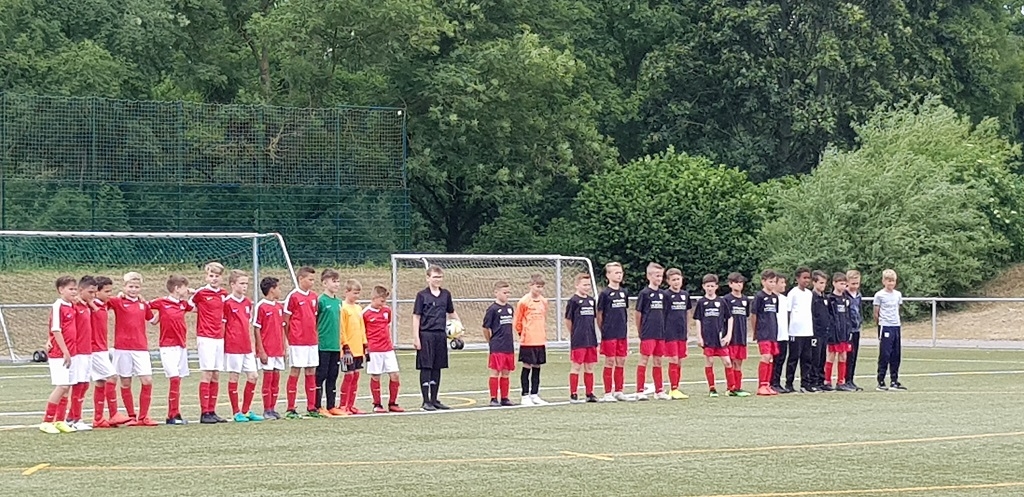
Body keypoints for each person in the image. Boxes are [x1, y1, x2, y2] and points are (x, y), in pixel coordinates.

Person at [109, 272, 157, 426]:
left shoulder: (143, 304)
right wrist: (118, 295)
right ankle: (131, 416)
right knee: (125, 382)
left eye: (136, 287)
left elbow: (152, 320)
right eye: (130, 286)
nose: (133, 290)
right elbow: (103, 302)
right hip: (122, 348)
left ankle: (143, 417)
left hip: (140, 348)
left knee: (147, 380)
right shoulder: (118, 301)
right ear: (124, 287)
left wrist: (163, 311)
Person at [413, 265, 460, 411]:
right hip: (426, 334)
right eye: (435, 277)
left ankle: (434, 399)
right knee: (426, 366)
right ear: (428, 278)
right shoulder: (422, 295)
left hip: (440, 335)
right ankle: (425, 401)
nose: (437, 280)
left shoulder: (446, 294)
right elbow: (416, 316)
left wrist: (459, 328)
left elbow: (451, 312)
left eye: (440, 277)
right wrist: (416, 337)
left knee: (437, 366)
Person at [149, 275, 193, 424]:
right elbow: (145, 306)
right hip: (167, 346)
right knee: (174, 378)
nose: (187, 290)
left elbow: (196, 307)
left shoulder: (183, 304)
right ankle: (171, 415)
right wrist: (156, 317)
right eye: (185, 287)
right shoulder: (162, 302)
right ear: (177, 288)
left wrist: (193, 293)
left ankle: (176, 413)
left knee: (178, 379)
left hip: (181, 346)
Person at [223, 270, 263, 423]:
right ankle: (236, 412)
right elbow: (223, 325)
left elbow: (248, 325)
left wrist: (252, 345)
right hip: (233, 346)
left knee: (253, 376)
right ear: (233, 284)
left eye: (246, 283)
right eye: (241, 283)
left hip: (246, 347)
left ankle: (246, 410)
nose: (245, 286)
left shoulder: (248, 303)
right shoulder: (227, 302)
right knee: (234, 376)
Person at [40, 276, 79, 434]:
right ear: (61, 290)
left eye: (75, 289)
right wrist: (65, 351)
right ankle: (46, 421)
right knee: (61, 386)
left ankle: (59, 420)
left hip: (72, 351)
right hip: (59, 353)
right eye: (70, 289)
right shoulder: (58, 306)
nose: (74, 292)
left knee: (67, 387)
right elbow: (55, 329)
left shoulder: (71, 305)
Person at [89, 276, 129, 428]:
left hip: (102, 348)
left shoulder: (104, 305)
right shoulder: (90, 306)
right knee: (112, 376)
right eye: (107, 291)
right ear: (96, 292)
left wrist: (120, 295)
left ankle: (98, 418)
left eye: (111, 291)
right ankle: (113, 414)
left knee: (100, 381)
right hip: (94, 349)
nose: (109, 295)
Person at [191, 262, 228, 423]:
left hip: (219, 337)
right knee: (207, 372)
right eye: (211, 276)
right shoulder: (201, 293)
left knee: (216, 373)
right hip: (205, 337)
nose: (214, 279)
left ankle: (212, 410)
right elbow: (189, 306)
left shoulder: (224, 294)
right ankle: (204, 412)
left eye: (217, 276)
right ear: (206, 277)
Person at [283, 266, 321, 419]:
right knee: (295, 371)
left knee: (311, 371)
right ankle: (291, 408)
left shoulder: (314, 297)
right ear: (301, 279)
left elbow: (315, 318)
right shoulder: (293, 296)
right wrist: (290, 338)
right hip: (297, 341)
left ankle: (311, 407)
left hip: (311, 340)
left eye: (313, 280)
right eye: (310, 279)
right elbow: (286, 321)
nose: (312, 282)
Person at [363, 285, 403, 413]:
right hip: (374, 349)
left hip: (388, 348)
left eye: (385, 301)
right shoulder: (365, 313)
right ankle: (377, 404)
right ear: (374, 298)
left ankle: (393, 403)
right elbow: (362, 331)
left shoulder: (386, 311)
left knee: (395, 374)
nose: (383, 304)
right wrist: (365, 347)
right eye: (381, 301)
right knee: (376, 376)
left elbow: (387, 325)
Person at [694, 274, 733, 398]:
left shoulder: (721, 301)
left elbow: (730, 318)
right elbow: (698, 319)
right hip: (708, 338)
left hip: (720, 338)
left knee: (727, 362)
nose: (710, 288)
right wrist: (699, 336)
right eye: (708, 286)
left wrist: (728, 335)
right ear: (703, 287)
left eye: (712, 286)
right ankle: (712, 388)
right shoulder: (701, 302)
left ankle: (730, 388)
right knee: (709, 361)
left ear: (716, 287)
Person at [65, 276, 96, 431]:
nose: (93, 295)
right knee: (78, 384)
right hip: (78, 351)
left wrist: (89, 302)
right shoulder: (74, 306)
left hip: (87, 350)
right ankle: (77, 419)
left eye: (94, 292)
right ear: (80, 290)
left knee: (84, 384)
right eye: (90, 292)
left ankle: (71, 417)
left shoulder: (86, 305)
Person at [597, 262, 630, 402]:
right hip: (609, 333)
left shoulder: (624, 292)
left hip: (622, 332)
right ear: (608, 275)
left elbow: (624, 311)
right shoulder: (605, 294)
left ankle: (619, 391)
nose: (619, 275)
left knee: (621, 361)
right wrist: (603, 329)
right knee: (609, 361)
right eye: (616, 272)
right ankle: (607, 393)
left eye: (620, 272)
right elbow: (599, 314)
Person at [635, 263, 668, 401]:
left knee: (658, 361)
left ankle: (659, 390)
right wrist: (640, 330)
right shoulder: (644, 293)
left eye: (661, 276)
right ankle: (639, 390)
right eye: (656, 275)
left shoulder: (663, 294)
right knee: (644, 360)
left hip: (660, 333)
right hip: (648, 332)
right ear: (649, 276)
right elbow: (638, 313)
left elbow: (664, 313)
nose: (659, 278)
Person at [254, 277, 286, 420]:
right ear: (272, 290)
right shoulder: (261, 306)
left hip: (278, 350)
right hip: (267, 350)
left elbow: (281, 328)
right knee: (268, 379)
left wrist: (284, 347)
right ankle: (266, 409)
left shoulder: (279, 307)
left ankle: (273, 408)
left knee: (276, 379)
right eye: (278, 287)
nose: (280, 290)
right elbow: (257, 329)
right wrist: (261, 350)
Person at [515, 273, 549, 406]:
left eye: (541, 287)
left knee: (537, 367)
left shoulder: (544, 301)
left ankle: (535, 394)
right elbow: (518, 321)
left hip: (540, 339)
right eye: (537, 286)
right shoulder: (523, 302)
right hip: (528, 340)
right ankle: (525, 395)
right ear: (531, 286)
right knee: (527, 366)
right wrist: (522, 333)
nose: (539, 289)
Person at [315, 269, 344, 417]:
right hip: (323, 345)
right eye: (334, 281)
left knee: (333, 375)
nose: (336, 284)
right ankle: (317, 406)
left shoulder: (339, 303)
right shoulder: (320, 301)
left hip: (335, 346)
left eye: (338, 281)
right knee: (321, 375)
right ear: (324, 283)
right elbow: (314, 322)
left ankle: (331, 405)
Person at [565, 273, 598, 403]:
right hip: (579, 339)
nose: (587, 287)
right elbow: (568, 320)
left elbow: (593, 319)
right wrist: (574, 333)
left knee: (589, 367)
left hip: (591, 338)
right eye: (584, 285)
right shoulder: (573, 301)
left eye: (588, 285)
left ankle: (589, 393)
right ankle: (573, 393)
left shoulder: (591, 300)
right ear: (577, 285)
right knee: (576, 366)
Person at [482, 281, 515, 407]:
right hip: (497, 345)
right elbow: (485, 327)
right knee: (495, 372)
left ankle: (505, 397)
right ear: (496, 293)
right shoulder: (492, 309)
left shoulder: (510, 308)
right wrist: (490, 341)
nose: (507, 295)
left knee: (506, 372)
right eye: (504, 292)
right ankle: (493, 398)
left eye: (508, 292)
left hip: (508, 345)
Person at [339, 279, 368, 415]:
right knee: (348, 376)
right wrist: (345, 345)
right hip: (348, 350)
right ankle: (342, 405)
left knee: (356, 375)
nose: (357, 296)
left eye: (358, 293)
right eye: (354, 293)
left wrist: (365, 344)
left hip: (358, 349)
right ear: (347, 292)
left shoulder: (358, 308)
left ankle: (351, 405)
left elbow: (362, 328)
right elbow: (342, 328)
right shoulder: (343, 308)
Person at [874, 269, 906, 391]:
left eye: (893, 281)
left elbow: (898, 308)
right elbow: (876, 312)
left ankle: (894, 380)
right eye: (888, 281)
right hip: (885, 326)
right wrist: (880, 324)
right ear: (883, 281)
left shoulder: (898, 294)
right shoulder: (879, 295)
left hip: (896, 326)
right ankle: (881, 380)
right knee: (885, 354)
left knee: (896, 354)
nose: (891, 283)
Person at [663, 268, 691, 399]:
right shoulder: (665, 295)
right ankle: (673, 388)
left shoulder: (685, 295)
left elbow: (687, 312)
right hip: (670, 332)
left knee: (679, 360)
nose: (676, 282)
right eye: (673, 280)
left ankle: (676, 387)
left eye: (678, 279)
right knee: (673, 359)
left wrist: (687, 327)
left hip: (681, 332)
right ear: (668, 281)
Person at [786, 268, 815, 393]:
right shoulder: (793, 293)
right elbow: (788, 311)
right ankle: (789, 383)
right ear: (797, 279)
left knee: (807, 358)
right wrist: (788, 329)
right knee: (793, 358)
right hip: (795, 331)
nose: (807, 280)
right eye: (804, 278)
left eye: (808, 278)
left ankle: (805, 383)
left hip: (807, 331)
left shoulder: (809, 294)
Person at [751, 270, 779, 396]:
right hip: (763, 332)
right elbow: (754, 315)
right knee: (765, 356)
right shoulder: (759, 296)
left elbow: (774, 315)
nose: (772, 284)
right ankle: (761, 385)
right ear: (763, 281)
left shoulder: (775, 297)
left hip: (772, 332)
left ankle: (767, 384)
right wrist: (755, 331)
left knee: (771, 358)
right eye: (770, 281)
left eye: (774, 282)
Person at [723, 273, 752, 397]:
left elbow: (746, 316)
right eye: (736, 282)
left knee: (739, 362)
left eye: (741, 282)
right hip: (731, 336)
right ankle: (730, 387)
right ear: (730, 284)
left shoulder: (745, 300)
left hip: (741, 335)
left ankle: (738, 387)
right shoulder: (726, 299)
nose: (739, 285)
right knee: (730, 361)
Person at [826, 273, 853, 392]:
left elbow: (848, 316)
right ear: (834, 283)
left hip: (844, 332)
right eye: (841, 283)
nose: (843, 286)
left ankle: (841, 381)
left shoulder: (846, 299)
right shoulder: (830, 299)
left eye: (844, 284)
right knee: (831, 355)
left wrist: (848, 329)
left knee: (843, 355)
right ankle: (827, 381)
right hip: (833, 332)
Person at [810, 271, 833, 391]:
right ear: (814, 283)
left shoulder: (824, 297)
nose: (823, 285)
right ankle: (813, 381)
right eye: (821, 283)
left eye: (824, 283)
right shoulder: (811, 297)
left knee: (822, 357)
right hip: (815, 333)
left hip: (824, 332)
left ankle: (821, 380)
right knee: (815, 357)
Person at [770, 275, 791, 393]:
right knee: (772, 360)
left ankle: (777, 382)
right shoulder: (769, 298)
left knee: (781, 359)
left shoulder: (784, 299)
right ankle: (770, 382)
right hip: (773, 334)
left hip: (783, 334)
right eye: (782, 283)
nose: (784, 285)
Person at [844, 270, 864, 390]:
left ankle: (850, 379)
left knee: (854, 355)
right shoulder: (844, 295)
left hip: (856, 329)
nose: (855, 286)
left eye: (857, 283)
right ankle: (845, 379)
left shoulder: (858, 295)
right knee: (848, 356)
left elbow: (859, 310)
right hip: (848, 330)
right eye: (853, 283)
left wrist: (860, 321)